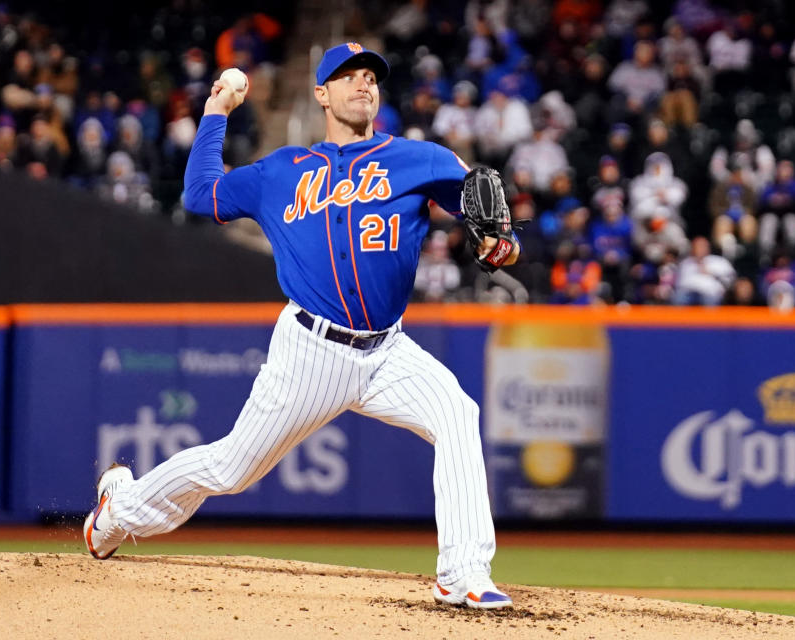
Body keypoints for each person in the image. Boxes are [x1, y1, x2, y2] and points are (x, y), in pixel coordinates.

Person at [83, 42, 520, 610]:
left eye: (370, 77)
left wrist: (500, 241)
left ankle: (462, 574)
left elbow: (487, 217)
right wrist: (216, 110)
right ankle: (119, 511)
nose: (362, 84)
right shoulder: (281, 171)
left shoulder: (422, 160)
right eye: (347, 77)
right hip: (311, 351)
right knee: (230, 468)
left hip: (388, 350)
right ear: (321, 94)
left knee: (457, 414)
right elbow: (199, 194)